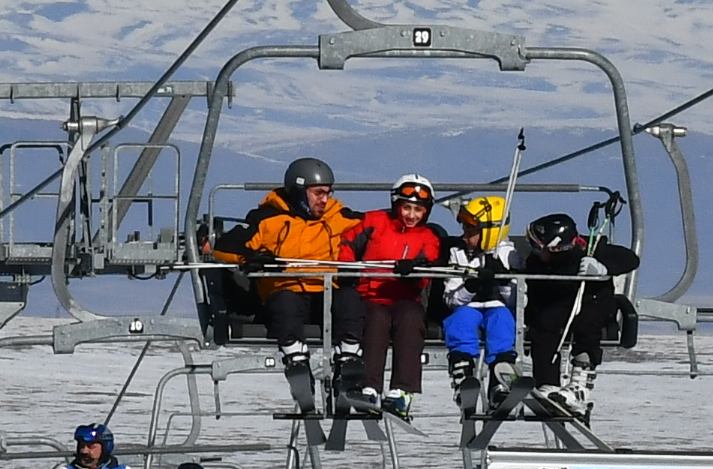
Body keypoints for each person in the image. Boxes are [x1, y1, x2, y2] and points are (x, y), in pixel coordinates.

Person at [223, 157, 358, 427]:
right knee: (286, 303)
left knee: (350, 300)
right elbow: (226, 246)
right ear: (299, 192)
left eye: (328, 193)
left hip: (325, 292)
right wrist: (251, 257)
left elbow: (378, 232)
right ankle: (297, 363)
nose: (324, 200)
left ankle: (348, 363)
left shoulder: (340, 217)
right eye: (318, 193)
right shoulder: (268, 219)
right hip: (286, 291)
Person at [513, 210, 645, 416]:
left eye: (537, 247)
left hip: (593, 303)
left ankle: (579, 386)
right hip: (556, 306)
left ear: (556, 247)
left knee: (587, 323)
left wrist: (603, 268)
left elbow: (630, 259)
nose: (534, 252)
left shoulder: (592, 248)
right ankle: (547, 384)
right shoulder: (537, 263)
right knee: (543, 326)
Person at [342, 177, 451, 422]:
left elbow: (428, 267)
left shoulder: (428, 237)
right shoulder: (374, 222)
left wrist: (413, 271)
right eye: (406, 208)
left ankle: (402, 390)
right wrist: (348, 269)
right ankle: (369, 387)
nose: (411, 215)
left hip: (404, 296)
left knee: (411, 320)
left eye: (418, 210)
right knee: (375, 322)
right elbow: (347, 242)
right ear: (396, 205)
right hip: (371, 294)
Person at [440, 191, 523, 429]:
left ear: (490, 232)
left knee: (502, 321)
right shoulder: (457, 254)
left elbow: (518, 301)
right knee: (461, 320)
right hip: (468, 306)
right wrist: (471, 286)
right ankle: (463, 374)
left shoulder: (509, 255)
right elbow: (452, 300)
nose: (465, 236)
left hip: (498, 306)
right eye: (464, 230)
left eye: (471, 232)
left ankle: (500, 380)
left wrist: (503, 279)